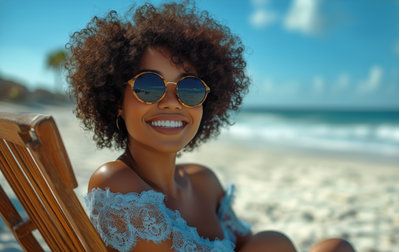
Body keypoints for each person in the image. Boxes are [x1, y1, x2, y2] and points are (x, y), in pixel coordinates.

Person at [66, 2, 354, 252]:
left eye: (189, 88)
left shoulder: (204, 181)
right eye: (149, 86)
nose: (171, 102)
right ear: (118, 100)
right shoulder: (115, 183)